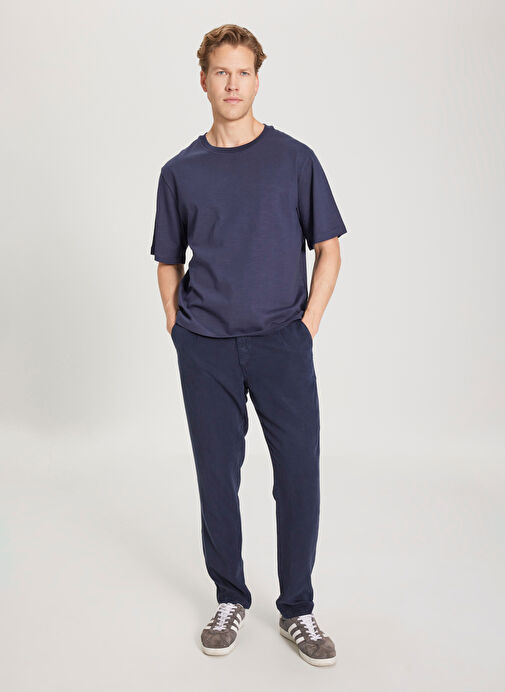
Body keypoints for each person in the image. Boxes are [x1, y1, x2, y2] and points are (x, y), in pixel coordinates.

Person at [150, 24, 347, 667]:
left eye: (243, 72)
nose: (232, 84)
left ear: (257, 79)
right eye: (221, 72)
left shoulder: (295, 160)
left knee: (299, 475)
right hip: (205, 347)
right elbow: (168, 260)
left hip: (281, 343)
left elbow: (328, 249)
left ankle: (298, 608)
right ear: (203, 80)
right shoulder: (180, 172)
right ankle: (230, 597)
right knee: (217, 476)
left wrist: (306, 327)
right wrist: (179, 329)